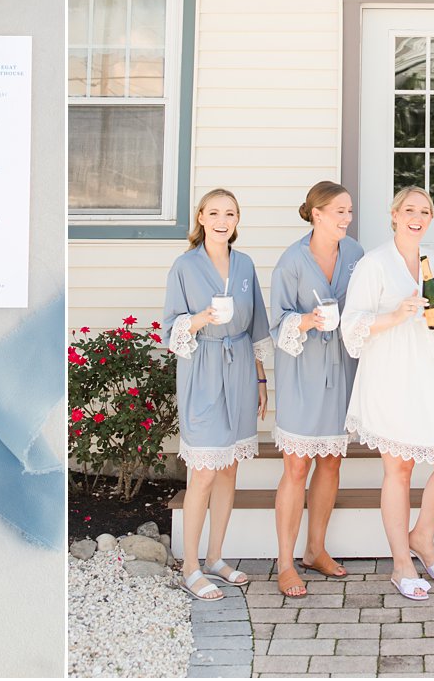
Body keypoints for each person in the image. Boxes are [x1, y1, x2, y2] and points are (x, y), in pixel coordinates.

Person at [342, 186, 434, 601]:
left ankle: (423, 535)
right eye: (410, 209)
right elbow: (352, 324)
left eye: (426, 211)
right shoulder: (374, 263)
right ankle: (401, 565)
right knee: (398, 470)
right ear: (394, 214)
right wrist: (394, 315)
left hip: (432, 374)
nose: (418, 216)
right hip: (391, 373)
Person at [164, 188, 273, 601]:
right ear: (201, 218)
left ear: (237, 220)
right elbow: (170, 327)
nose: (222, 220)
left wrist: (261, 381)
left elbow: (258, 324)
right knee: (205, 470)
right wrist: (200, 319)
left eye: (230, 213)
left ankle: (214, 558)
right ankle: (189, 566)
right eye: (214, 213)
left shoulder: (244, 265)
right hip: (203, 368)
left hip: (241, 369)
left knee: (229, 469)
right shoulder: (184, 266)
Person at [269, 180, 366, 597]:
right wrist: (307, 321)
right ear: (317, 213)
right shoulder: (291, 261)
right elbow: (277, 323)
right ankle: (286, 563)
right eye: (339, 211)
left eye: (349, 211)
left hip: (342, 368)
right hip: (302, 372)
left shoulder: (356, 255)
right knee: (296, 467)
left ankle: (316, 549)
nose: (346, 218)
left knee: (330, 463)